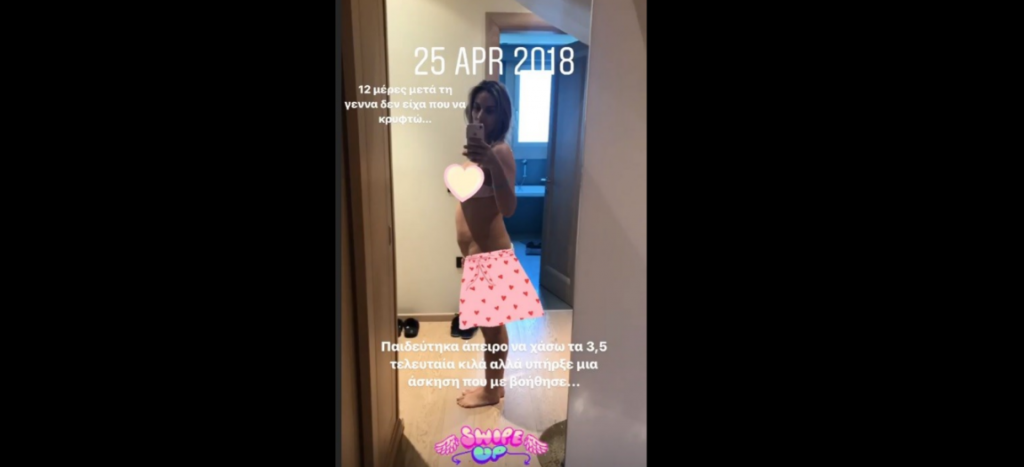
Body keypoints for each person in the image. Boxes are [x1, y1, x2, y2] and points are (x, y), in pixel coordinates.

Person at [455, 80, 545, 408]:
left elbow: (508, 208)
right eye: (477, 108)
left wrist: (492, 164)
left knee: (492, 329)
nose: (481, 115)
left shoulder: (500, 152)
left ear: (502, 115)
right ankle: (494, 385)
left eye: (490, 110)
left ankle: (491, 391)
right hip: (478, 256)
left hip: (490, 255)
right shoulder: (476, 155)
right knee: (489, 326)